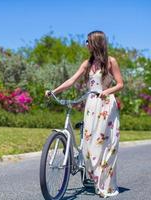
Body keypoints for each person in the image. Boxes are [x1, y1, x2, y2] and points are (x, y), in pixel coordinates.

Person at [45, 30, 124, 198]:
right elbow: (71, 81)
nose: (86, 45)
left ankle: (104, 184)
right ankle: (94, 177)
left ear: (96, 43)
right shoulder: (87, 64)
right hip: (91, 105)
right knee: (88, 145)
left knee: (102, 144)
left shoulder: (111, 61)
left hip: (106, 105)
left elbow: (120, 84)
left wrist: (106, 91)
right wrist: (54, 91)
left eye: (88, 42)